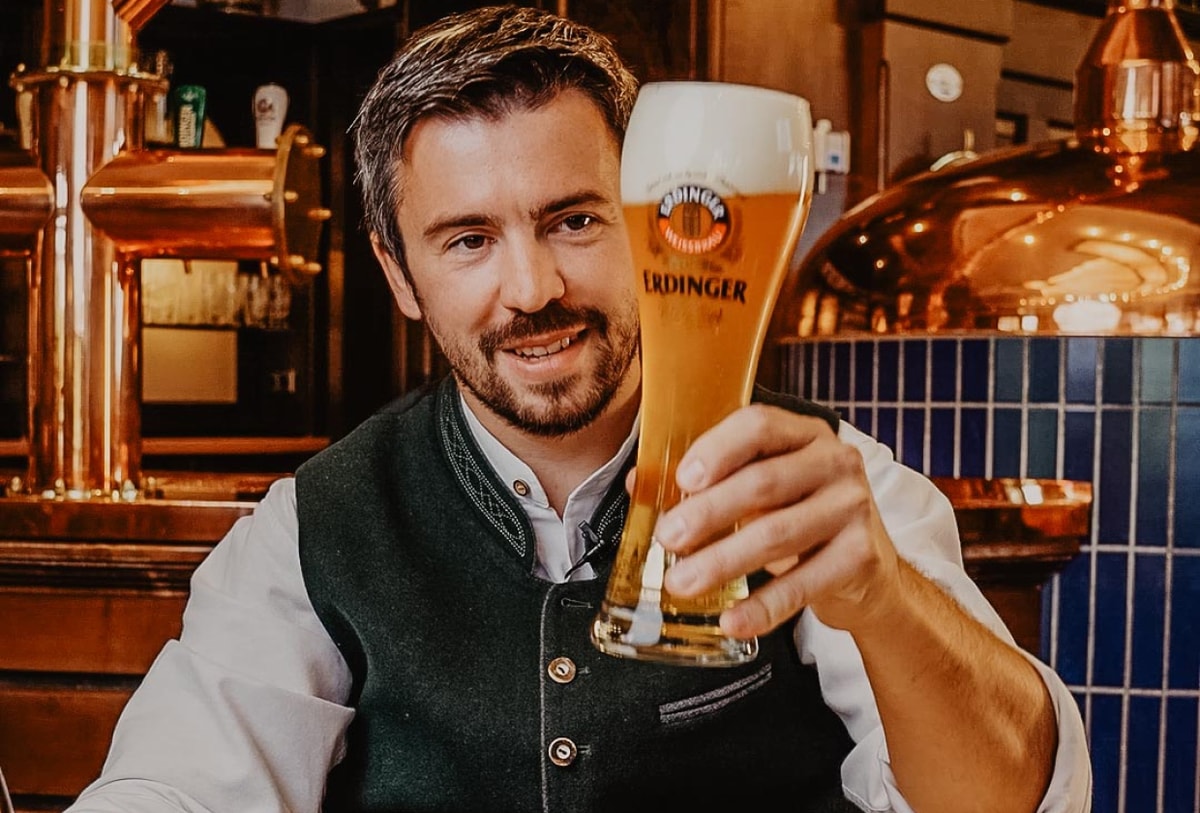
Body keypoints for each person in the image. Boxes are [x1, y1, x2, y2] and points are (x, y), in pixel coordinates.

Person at [66, 5, 1090, 813]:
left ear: (649, 213)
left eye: (575, 219)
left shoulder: (833, 487)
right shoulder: (314, 526)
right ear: (400, 272)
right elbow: (181, 784)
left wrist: (882, 599)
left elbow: (1008, 797)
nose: (533, 286)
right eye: (468, 239)